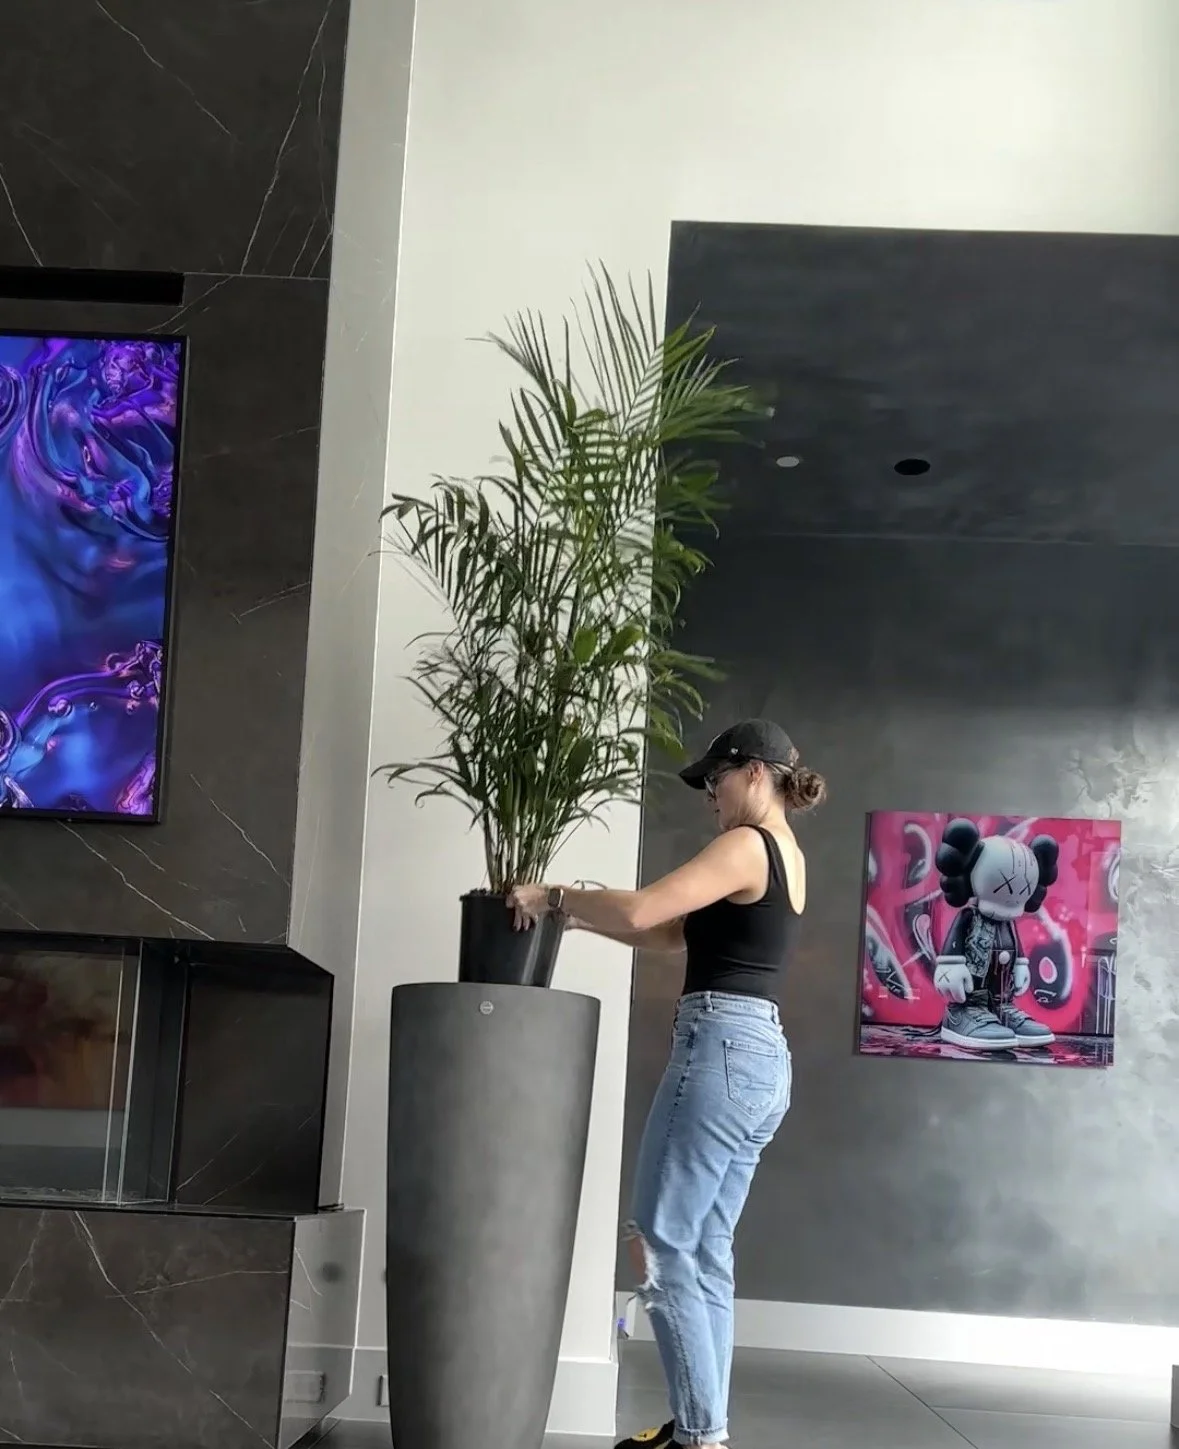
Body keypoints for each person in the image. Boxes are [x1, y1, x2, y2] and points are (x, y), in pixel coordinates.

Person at [507, 719, 825, 1449]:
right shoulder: (782, 855)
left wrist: (551, 895)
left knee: (658, 1242)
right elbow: (667, 933)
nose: (709, 794)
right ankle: (702, 1431)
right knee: (704, 1247)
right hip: (757, 1058)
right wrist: (582, 919)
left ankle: (698, 1437)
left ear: (753, 772)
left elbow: (647, 906)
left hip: (719, 1047)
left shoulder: (744, 843)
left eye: (715, 778)